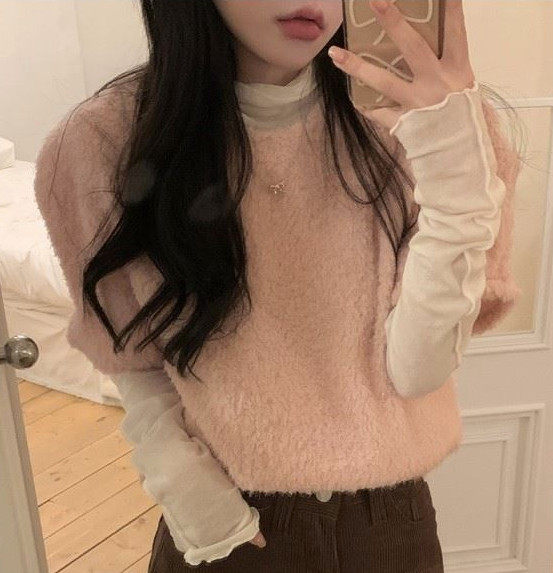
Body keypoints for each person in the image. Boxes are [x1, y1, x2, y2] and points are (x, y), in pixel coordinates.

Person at [34, 0, 523, 571]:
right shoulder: (103, 142)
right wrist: (186, 485)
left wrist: (456, 179)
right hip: (230, 522)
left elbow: (417, 372)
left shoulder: (436, 127)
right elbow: (132, 353)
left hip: (390, 524)